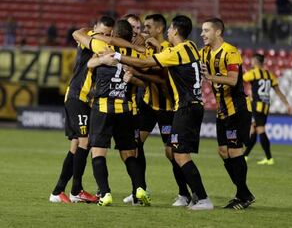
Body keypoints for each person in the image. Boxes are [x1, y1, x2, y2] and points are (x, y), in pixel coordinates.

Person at [118, 15, 214, 210]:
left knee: (178, 154)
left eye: (170, 29)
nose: (169, 32)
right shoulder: (191, 47)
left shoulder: (175, 52)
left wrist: (117, 57)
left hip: (183, 107)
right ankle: (195, 195)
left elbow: (146, 63)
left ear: (175, 31)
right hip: (191, 106)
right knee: (178, 153)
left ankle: (202, 198)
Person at [76, 20, 151, 207]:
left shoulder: (105, 46)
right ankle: (140, 188)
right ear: (130, 36)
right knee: (129, 154)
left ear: (113, 35)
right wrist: (133, 77)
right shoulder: (137, 54)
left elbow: (90, 64)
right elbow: (146, 82)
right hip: (126, 109)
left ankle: (105, 193)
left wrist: (101, 60)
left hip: (102, 107)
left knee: (98, 153)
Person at [49, 16, 115, 204]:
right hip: (77, 97)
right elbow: (80, 36)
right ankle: (75, 190)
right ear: (94, 30)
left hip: (85, 100)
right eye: (100, 32)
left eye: (107, 35)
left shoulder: (100, 45)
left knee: (77, 145)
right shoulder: (89, 42)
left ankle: (58, 191)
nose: (103, 37)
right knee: (85, 142)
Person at [200, 18, 255, 209]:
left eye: (206, 30)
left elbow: (233, 80)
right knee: (223, 151)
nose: (202, 34)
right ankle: (244, 192)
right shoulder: (205, 52)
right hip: (222, 110)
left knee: (234, 150)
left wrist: (209, 77)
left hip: (237, 109)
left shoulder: (230, 52)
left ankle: (242, 195)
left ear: (217, 32)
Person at [243, 53, 292, 165]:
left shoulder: (253, 73)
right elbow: (278, 91)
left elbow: (241, 79)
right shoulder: (270, 75)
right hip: (266, 106)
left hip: (257, 105)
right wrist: (287, 104)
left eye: (252, 61)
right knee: (254, 129)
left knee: (260, 130)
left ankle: (269, 158)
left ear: (255, 61)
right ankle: (245, 155)